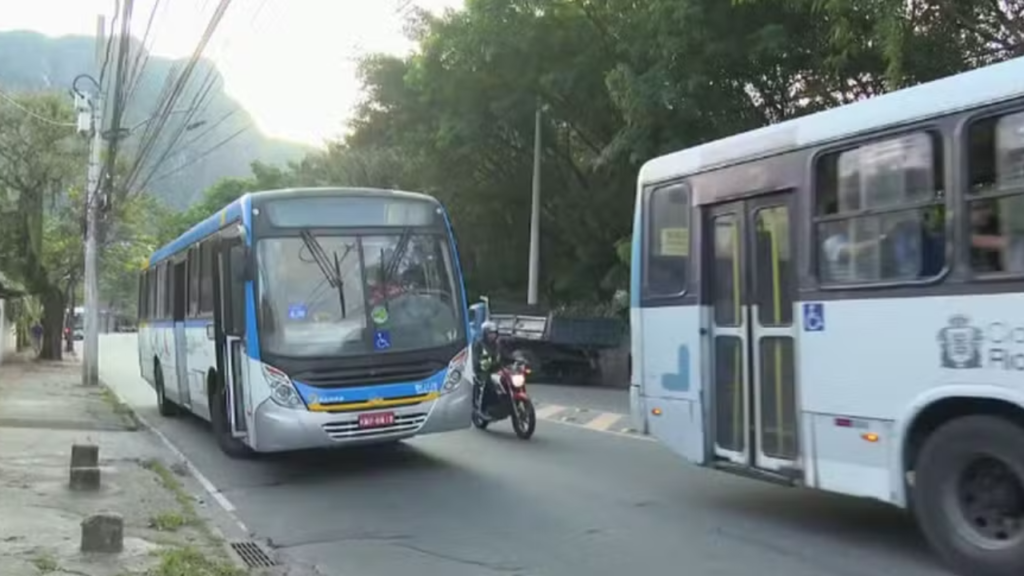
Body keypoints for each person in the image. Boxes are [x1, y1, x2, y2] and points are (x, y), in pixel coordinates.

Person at [472, 321, 511, 410]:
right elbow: (475, 359)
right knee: (489, 384)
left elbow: (505, 355)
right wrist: (480, 366)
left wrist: (517, 360)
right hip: (483, 372)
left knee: (508, 380)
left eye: (494, 333)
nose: (492, 335)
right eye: (490, 333)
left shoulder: (497, 344)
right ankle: (485, 407)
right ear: (485, 334)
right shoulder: (479, 344)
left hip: (496, 370)